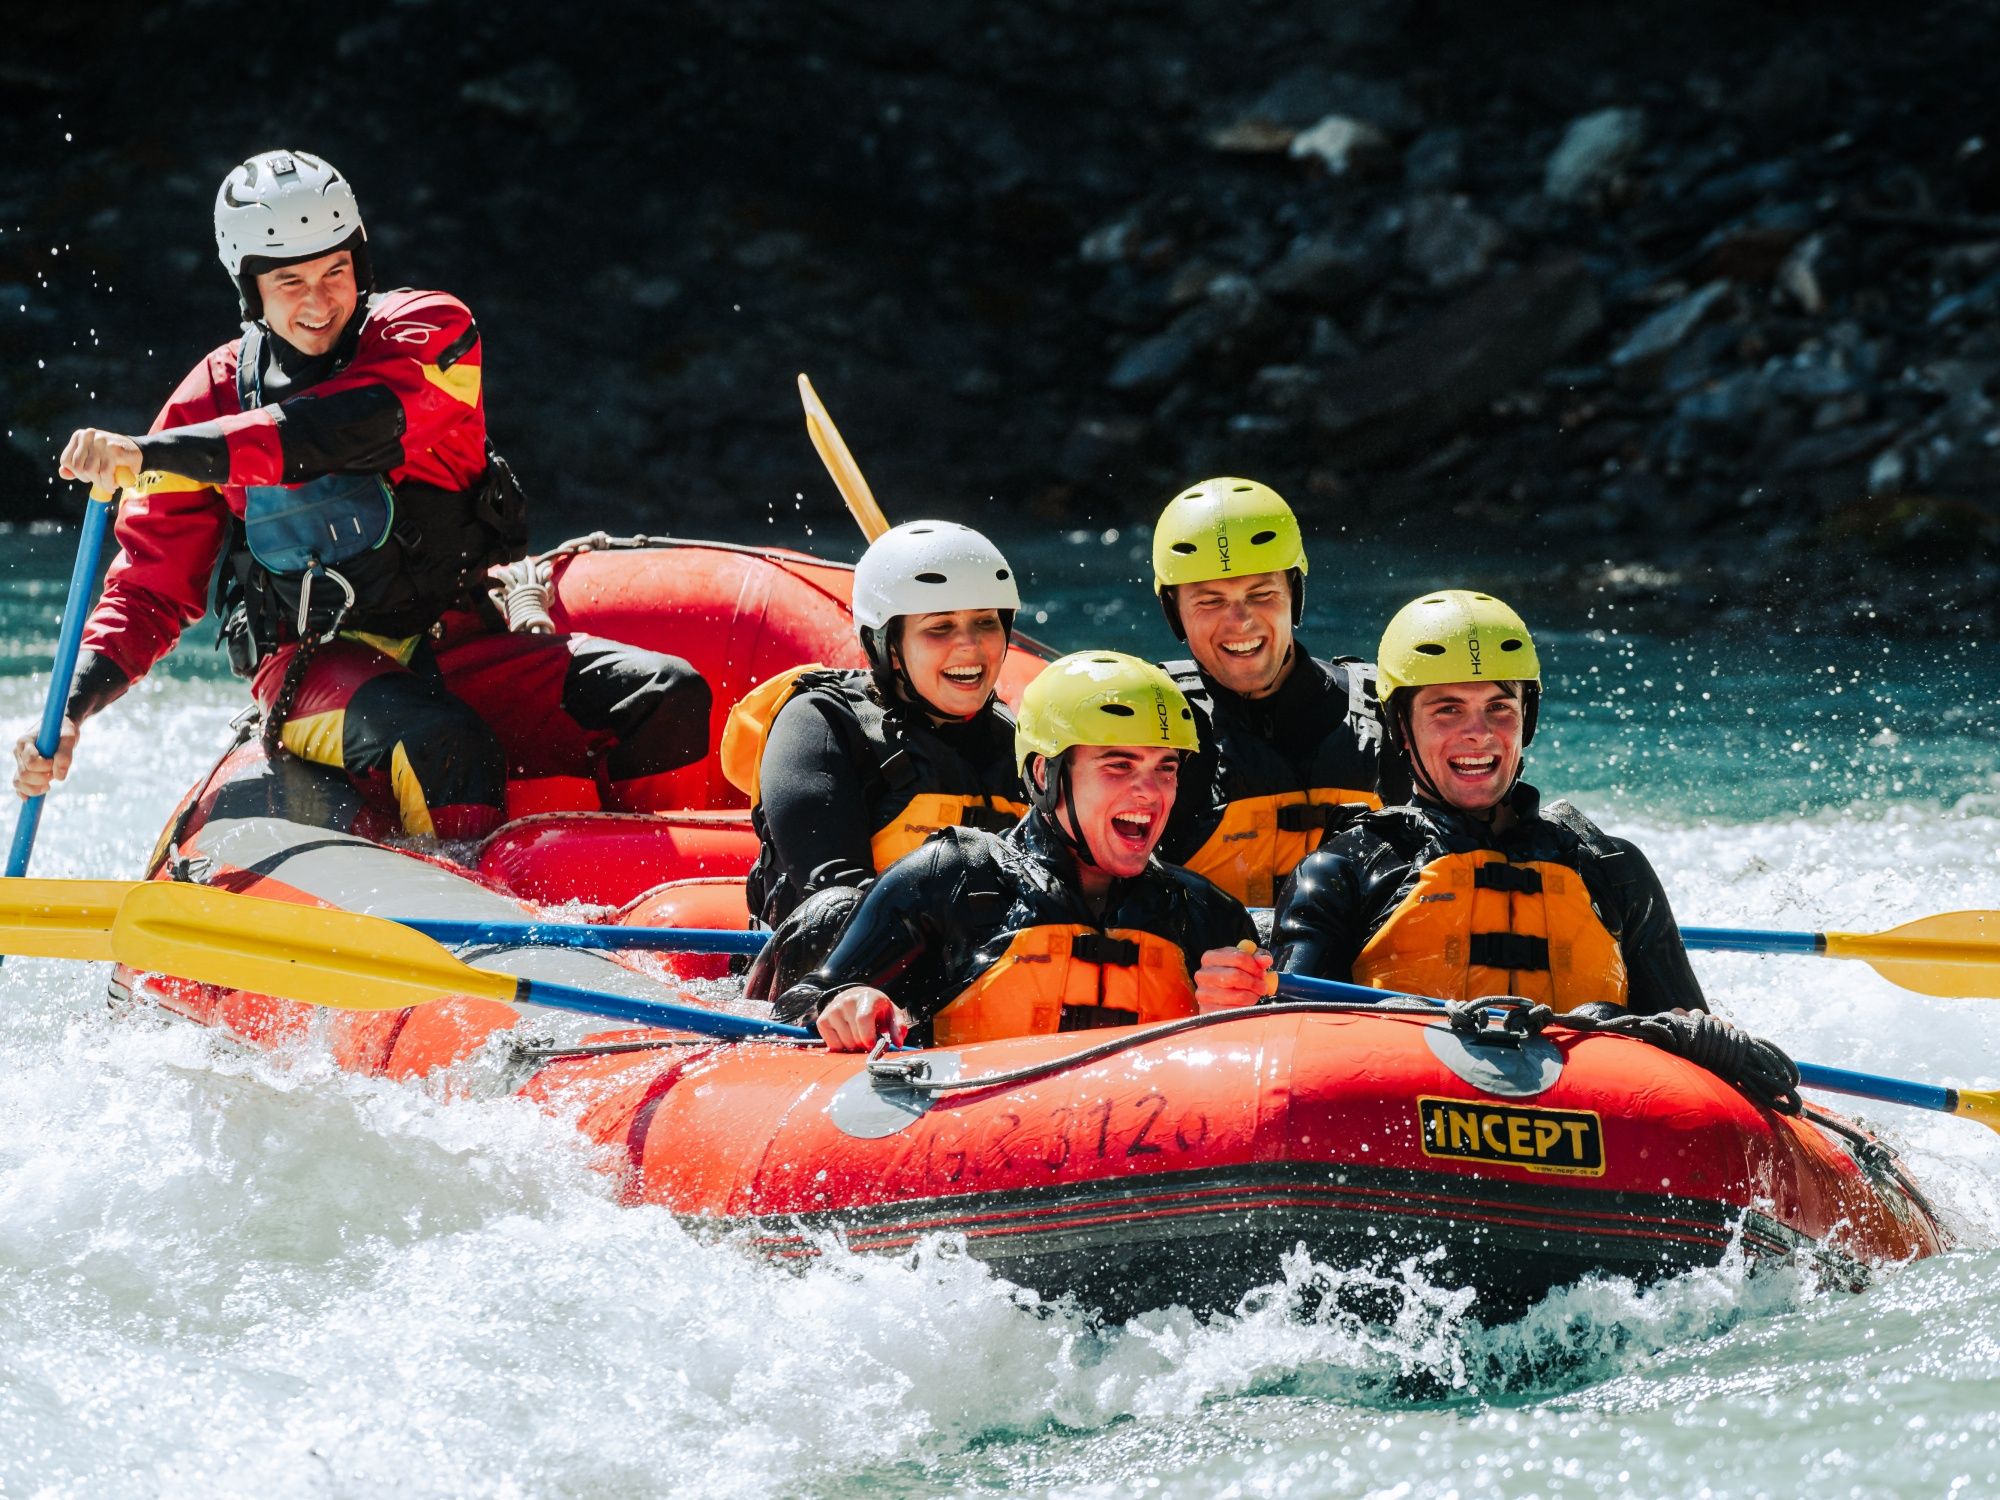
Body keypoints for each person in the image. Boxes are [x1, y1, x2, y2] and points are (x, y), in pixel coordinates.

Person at [13, 149, 708, 839]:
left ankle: (661, 885)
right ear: (250, 288)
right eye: (289, 281)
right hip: (316, 669)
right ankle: (472, 905)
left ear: (361, 265)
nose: (319, 301)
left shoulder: (433, 333)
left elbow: (341, 428)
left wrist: (155, 454)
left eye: (335, 271)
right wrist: (70, 709)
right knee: (441, 741)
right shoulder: (211, 399)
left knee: (666, 694)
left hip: (455, 637)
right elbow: (151, 590)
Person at [774, 650, 1271, 1052]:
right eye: (1119, 765)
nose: (1151, 792)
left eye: (1166, 768)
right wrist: (844, 1002)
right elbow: (800, 1002)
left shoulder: (1206, 917)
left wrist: (1234, 1019)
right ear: (1044, 775)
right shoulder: (949, 879)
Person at [1273, 590, 1706, 1015]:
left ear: (1526, 720)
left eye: (1499, 707)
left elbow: (1695, 1040)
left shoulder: (1614, 870)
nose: (1478, 733)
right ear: (1402, 729)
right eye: (1448, 710)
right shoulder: (1342, 872)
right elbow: (1285, 1037)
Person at [733, 522, 1029, 993]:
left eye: (985, 622)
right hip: (841, 982)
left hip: (980, 981)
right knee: (834, 913)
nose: (970, 646)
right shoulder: (822, 724)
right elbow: (831, 901)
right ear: (888, 645)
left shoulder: (1017, 738)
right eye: (940, 627)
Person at [1148, 477, 1390, 908]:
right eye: (1209, 601)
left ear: (1293, 595)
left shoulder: (1386, 714)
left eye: (1261, 594)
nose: (1240, 621)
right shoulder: (1148, 723)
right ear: (1174, 612)